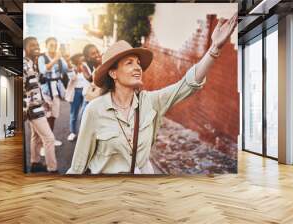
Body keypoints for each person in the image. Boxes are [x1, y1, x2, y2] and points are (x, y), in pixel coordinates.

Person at [66, 14, 238, 174]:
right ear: (113, 73)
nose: (137, 67)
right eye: (129, 63)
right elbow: (78, 165)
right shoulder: (95, 110)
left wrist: (214, 48)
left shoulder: (150, 102)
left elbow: (187, 84)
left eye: (138, 63)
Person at [23, 36, 57, 173]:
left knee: (36, 137)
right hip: (32, 109)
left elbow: (34, 88)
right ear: (25, 48)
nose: (36, 47)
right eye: (32, 45)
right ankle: (52, 168)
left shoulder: (32, 64)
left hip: (37, 106)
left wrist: (44, 102)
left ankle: (35, 163)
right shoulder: (25, 65)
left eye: (37, 44)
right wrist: (24, 110)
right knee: (49, 138)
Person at [37, 37, 68, 147]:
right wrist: (55, 59)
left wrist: (61, 58)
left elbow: (65, 69)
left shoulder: (58, 57)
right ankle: (43, 144)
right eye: (51, 45)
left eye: (55, 45)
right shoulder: (42, 57)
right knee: (46, 117)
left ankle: (51, 140)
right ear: (46, 45)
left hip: (56, 91)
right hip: (46, 91)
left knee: (53, 116)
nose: (54, 47)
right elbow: (43, 70)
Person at [64, 53, 90, 141]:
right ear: (76, 59)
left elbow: (90, 77)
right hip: (76, 91)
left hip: (86, 91)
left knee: (85, 113)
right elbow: (73, 78)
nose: (82, 57)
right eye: (79, 57)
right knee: (74, 113)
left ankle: (84, 132)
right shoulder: (72, 68)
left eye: (82, 56)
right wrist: (72, 68)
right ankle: (73, 132)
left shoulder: (86, 66)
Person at [81, 44, 102, 110]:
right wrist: (98, 67)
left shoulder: (101, 65)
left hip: (100, 98)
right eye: (93, 53)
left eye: (97, 52)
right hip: (89, 97)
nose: (97, 55)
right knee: (84, 118)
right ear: (87, 57)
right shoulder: (84, 66)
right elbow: (89, 79)